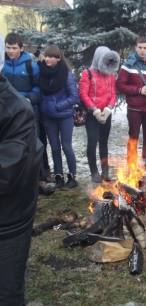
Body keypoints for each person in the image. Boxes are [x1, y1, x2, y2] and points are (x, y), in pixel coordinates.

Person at [0, 34, 42, 305]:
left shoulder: (16, 111)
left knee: (7, 293)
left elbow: (8, 170)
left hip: (8, 224)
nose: (11, 50)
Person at [2, 32, 54, 195]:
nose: (10, 51)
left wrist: (28, 99)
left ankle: (41, 178)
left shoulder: (30, 65)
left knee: (35, 144)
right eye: (8, 47)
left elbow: (38, 89)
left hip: (29, 109)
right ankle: (17, 181)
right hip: (8, 113)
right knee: (11, 146)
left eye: (14, 48)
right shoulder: (2, 65)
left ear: (21, 48)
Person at [117, 36, 146, 169]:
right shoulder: (128, 65)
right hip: (134, 108)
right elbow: (120, 85)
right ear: (135, 48)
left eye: (145, 48)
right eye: (140, 48)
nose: (142, 51)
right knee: (133, 137)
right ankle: (131, 164)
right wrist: (139, 90)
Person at [39, 45, 79, 188]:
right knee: (54, 147)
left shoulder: (66, 74)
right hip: (48, 117)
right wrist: (45, 106)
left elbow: (74, 97)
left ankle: (72, 177)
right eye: (47, 56)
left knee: (66, 146)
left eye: (52, 57)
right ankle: (58, 177)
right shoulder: (41, 72)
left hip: (64, 116)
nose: (48, 59)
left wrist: (58, 106)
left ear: (58, 58)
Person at [79, 46, 120, 183]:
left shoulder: (111, 74)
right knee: (92, 143)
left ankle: (105, 171)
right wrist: (95, 110)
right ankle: (94, 172)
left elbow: (114, 94)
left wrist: (108, 109)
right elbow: (83, 94)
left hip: (106, 114)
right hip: (92, 115)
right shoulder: (87, 73)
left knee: (104, 143)